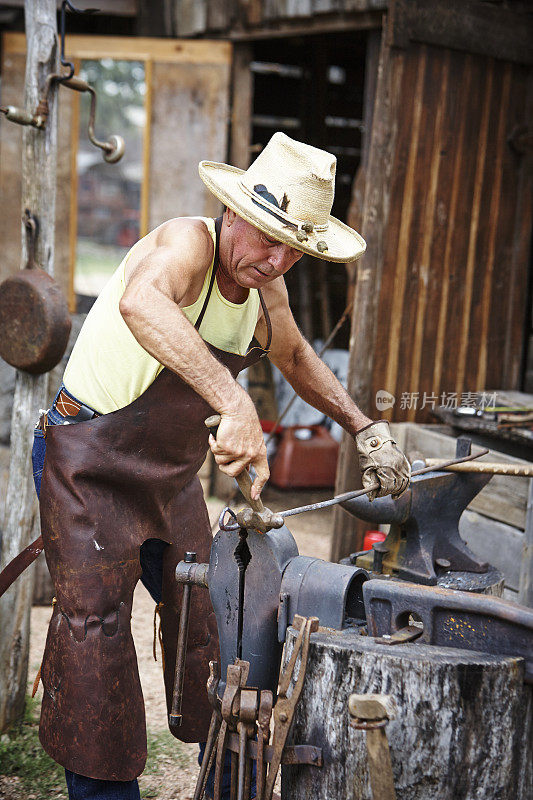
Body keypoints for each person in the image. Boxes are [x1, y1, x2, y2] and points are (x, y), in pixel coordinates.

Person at [31, 131, 410, 800]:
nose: (273, 258)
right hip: (86, 464)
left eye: (292, 247)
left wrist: (366, 428)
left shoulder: (267, 292)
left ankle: (226, 782)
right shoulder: (186, 245)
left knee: (216, 623)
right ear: (233, 210)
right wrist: (232, 399)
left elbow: (293, 358)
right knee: (96, 639)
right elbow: (141, 302)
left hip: (169, 480)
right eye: (265, 236)